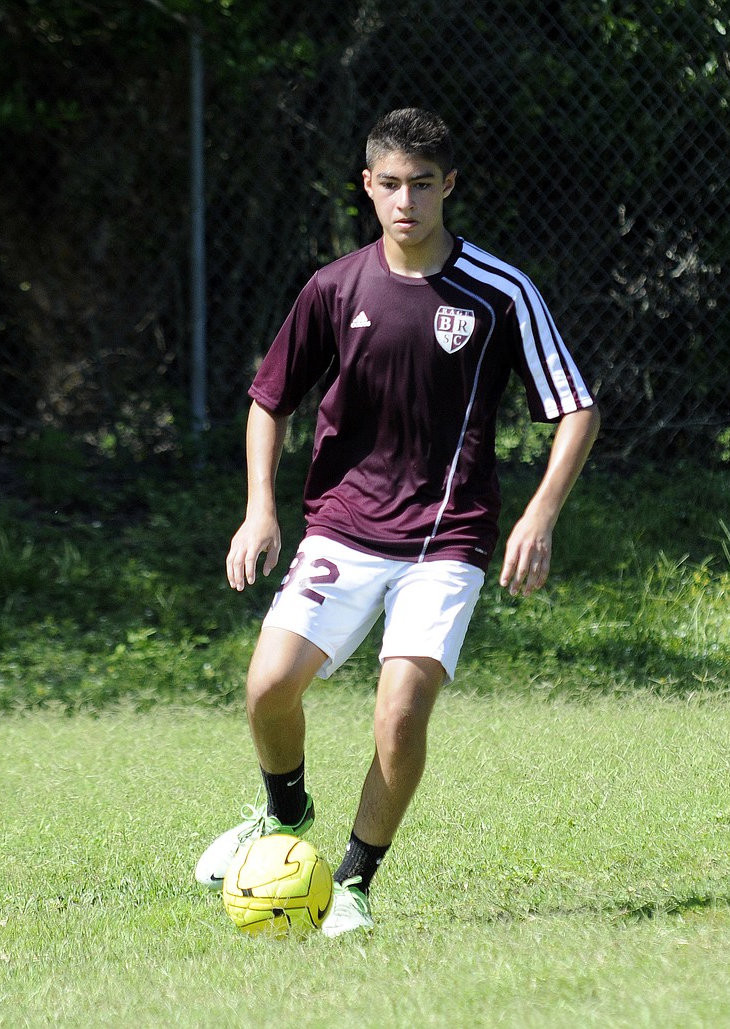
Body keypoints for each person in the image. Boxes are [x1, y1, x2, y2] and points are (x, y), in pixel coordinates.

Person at [195, 107, 600, 936]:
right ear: (368, 188)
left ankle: (351, 883)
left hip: (446, 538)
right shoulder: (335, 287)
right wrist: (259, 507)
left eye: (423, 184)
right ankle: (284, 814)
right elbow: (268, 401)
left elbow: (576, 407)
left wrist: (539, 517)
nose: (405, 200)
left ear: (448, 186)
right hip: (343, 526)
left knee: (400, 712)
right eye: (390, 184)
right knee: (268, 685)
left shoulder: (499, 291)